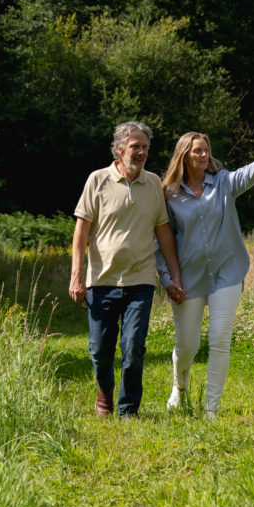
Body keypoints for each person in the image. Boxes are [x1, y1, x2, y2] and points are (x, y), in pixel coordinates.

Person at [158, 132, 254, 419]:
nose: (204, 156)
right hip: (188, 278)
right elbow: (161, 241)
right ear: (184, 155)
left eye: (206, 150)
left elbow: (245, 175)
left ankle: (210, 409)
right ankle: (179, 387)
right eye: (197, 152)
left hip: (226, 272)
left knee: (220, 339)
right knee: (187, 345)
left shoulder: (222, 183)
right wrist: (168, 279)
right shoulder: (169, 194)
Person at [69, 121, 187, 418]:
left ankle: (128, 408)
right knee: (100, 350)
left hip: (140, 280)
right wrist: (77, 276)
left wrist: (174, 276)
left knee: (134, 346)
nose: (142, 152)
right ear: (119, 149)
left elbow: (164, 233)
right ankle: (104, 392)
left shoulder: (153, 186)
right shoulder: (98, 180)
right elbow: (81, 231)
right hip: (101, 279)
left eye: (145, 147)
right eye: (135, 146)